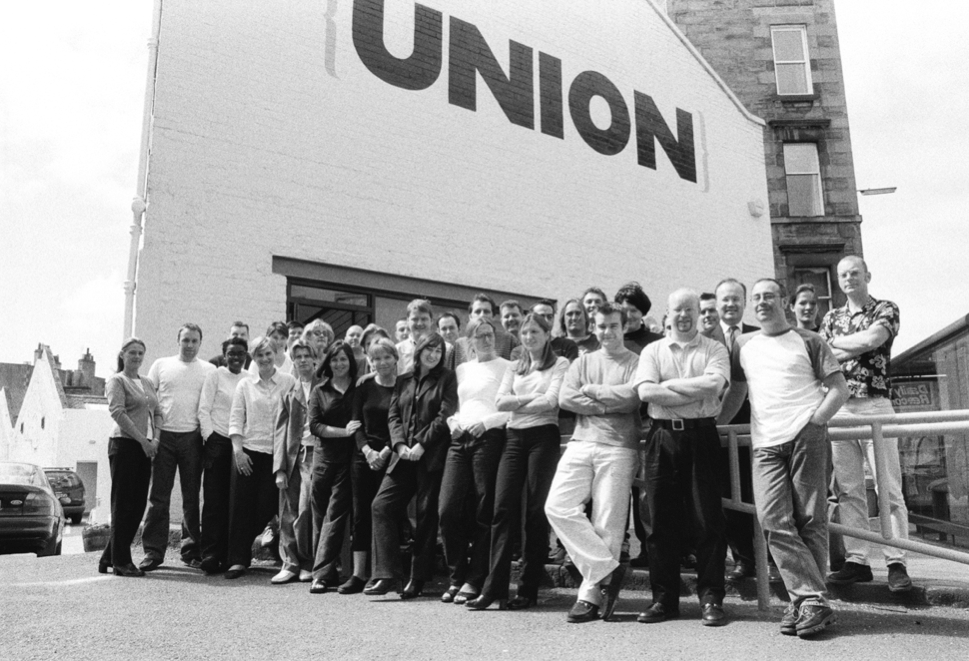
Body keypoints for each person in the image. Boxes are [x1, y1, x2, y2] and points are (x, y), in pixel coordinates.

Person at [721, 278, 848, 638]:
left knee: (810, 518)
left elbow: (839, 389)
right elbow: (737, 392)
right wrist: (714, 424)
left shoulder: (810, 340)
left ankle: (804, 602)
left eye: (769, 297)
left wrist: (815, 422)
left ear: (786, 302)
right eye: (756, 298)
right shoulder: (742, 345)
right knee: (772, 518)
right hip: (765, 443)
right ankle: (813, 600)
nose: (761, 303)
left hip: (805, 436)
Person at [634, 289, 730, 627]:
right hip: (662, 437)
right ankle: (664, 600)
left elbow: (715, 384)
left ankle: (711, 599)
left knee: (707, 519)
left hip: (701, 434)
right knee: (659, 520)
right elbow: (645, 392)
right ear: (668, 313)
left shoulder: (715, 349)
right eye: (678, 309)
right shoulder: (652, 350)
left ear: (699, 313)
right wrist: (694, 386)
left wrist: (670, 386)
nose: (684, 315)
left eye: (690, 309)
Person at [821, 255, 913, 593]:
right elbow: (822, 356)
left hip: (875, 404)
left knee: (888, 487)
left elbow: (872, 340)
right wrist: (852, 345)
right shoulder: (831, 316)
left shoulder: (885, 309)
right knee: (848, 488)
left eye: (855, 273)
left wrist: (841, 345)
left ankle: (896, 560)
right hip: (841, 408)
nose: (849, 278)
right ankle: (856, 559)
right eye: (843, 274)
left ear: (867, 276)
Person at [545, 303, 641, 623]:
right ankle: (606, 569)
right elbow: (566, 398)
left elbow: (632, 398)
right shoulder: (583, 361)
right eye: (601, 326)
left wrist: (594, 391)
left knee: (608, 522)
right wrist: (604, 405)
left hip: (619, 447)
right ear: (594, 327)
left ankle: (589, 595)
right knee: (557, 505)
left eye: (613, 326)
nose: (606, 332)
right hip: (581, 443)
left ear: (623, 327)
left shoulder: (635, 362)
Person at [470, 314, 569, 611]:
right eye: (525, 332)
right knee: (502, 510)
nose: (528, 336)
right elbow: (500, 402)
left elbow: (553, 402)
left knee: (535, 512)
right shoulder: (515, 365)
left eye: (535, 331)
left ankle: (528, 589)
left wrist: (519, 401)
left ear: (546, 333)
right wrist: (531, 399)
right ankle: (494, 589)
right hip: (514, 438)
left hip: (544, 438)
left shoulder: (560, 364)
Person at [367, 333, 457, 598]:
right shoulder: (404, 379)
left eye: (438, 351)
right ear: (418, 351)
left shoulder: (447, 378)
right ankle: (388, 574)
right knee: (381, 506)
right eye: (428, 349)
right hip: (402, 456)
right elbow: (394, 414)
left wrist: (420, 444)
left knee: (426, 514)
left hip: (429, 457)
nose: (433, 354)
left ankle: (418, 578)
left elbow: (445, 416)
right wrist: (399, 445)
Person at [439, 317, 512, 605]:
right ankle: (457, 575)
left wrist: (487, 422)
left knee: (484, 509)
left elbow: (509, 410)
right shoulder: (462, 369)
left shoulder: (507, 366)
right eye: (480, 336)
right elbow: (457, 406)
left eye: (490, 334)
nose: (486, 340)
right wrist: (452, 422)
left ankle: (474, 579)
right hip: (459, 440)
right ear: (469, 341)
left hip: (488, 438)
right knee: (447, 509)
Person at [140, 323, 215, 572]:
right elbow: (148, 400)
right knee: (158, 497)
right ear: (178, 341)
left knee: (191, 498)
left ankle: (191, 550)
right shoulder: (161, 365)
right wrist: (151, 435)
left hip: (192, 439)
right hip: (165, 439)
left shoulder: (208, 369)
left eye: (194, 341)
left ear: (200, 343)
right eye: (186, 340)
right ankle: (153, 552)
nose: (190, 345)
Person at [711, 278, 769, 584]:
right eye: (725, 300)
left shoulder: (760, 334)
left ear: (744, 303)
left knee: (760, 492)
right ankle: (744, 559)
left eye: (736, 299)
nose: (730, 305)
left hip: (759, 426)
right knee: (730, 492)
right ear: (718, 303)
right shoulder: (705, 337)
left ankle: (770, 556)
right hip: (721, 427)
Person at [224, 336, 296, 579]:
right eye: (259, 355)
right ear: (253, 358)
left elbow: (293, 420)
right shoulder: (245, 385)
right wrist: (238, 452)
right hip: (248, 452)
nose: (265, 359)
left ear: (276, 355)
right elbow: (235, 419)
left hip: (276, 455)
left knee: (266, 505)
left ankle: (239, 547)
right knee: (240, 507)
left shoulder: (288, 382)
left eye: (268, 354)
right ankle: (237, 560)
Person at [341, 337, 399, 594]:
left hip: (390, 457)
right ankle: (358, 574)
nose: (382, 362)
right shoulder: (363, 387)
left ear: (395, 358)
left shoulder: (404, 387)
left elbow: (403, 425)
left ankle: (384, 573)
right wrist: (367, 450)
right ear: (370, 361)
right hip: (362, 457)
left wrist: (384, 452)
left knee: (385, 513)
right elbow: (355, 424)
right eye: (376, 358)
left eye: (386, 357)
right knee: (360, 514)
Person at [99, 338, 160, 577]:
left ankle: (108, 556)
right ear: (122, 355)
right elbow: (118, 412)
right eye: (132, 352)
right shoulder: (117, 381)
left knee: (137, 506)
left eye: (141, 353)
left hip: (145, 448)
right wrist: (142, 440)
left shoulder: (147, 382)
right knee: (123, 505)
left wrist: (155, 440)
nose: (137, 357)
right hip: (124, 446)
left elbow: (158, 413)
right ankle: (121, 562)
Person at [306, 342, 361, 592]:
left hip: (348, 461)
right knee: (319, 515)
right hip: (323, 460)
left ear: (351, 361)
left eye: (343, 359)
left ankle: (320, 574)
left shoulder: (359, 388)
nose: (339, 364)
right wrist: (344, 431)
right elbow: (315, 426)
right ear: (328, 363)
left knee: (336, 514)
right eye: (334, 360)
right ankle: (327, 570)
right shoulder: (319, 391)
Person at [197, 336, 250, 574]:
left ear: (246, 355)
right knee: (214, 500)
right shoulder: (215, 375)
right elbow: (204, 409)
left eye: (240, 353)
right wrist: (210, 438)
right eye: (231, 353)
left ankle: (231, 555)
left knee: (235, 502)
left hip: (240, 444)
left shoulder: (250, 379)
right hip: (218, 441)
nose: (236, 358)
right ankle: (210, 553)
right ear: (224, 355)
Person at [270, 340, 321, 584]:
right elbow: (280, 433)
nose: (302, 360)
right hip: (292, 456)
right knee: (287, 510)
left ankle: (307, 561)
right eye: (297, 356)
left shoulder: (324, 388)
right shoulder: (289, 393)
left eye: (306, 356)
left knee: (306, 509)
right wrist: (279, 468)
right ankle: (289, 563)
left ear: (315, 360)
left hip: (315, 455)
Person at [455, 293, 520, 363]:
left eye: (486, 311)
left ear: (493, 316)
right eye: (477, 311)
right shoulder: (460, 344)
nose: (482, 315)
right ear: (470, 316)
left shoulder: (508, 340)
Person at [615, 282, 663, 355]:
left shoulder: (658, 343)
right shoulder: (608, 341)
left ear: (643, 313)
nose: (628, 316)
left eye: (633, 311)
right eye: (624, 310)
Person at [397, 298, 434, 374]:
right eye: (415, 319)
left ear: (431, 321)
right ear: (408, 321)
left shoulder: (446, 349)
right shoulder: (397, 350)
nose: (419, 323)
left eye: (424, 319)